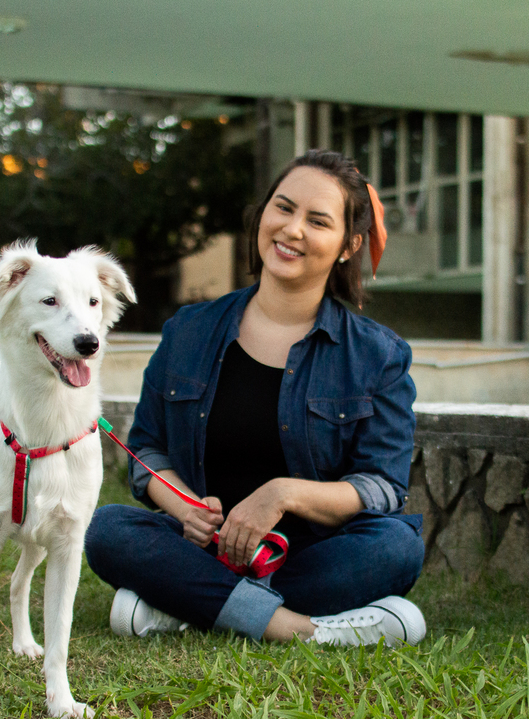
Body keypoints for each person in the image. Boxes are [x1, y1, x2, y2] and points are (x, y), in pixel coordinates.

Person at [84, 149, 425, 647]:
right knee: (108, 529)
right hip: (202, 547)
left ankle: (181, 607)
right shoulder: (188, 331)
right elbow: (147, 454)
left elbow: (380, 487)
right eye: (283, 208)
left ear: (348, 246)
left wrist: (283, 494)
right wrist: (184, 508)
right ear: (263, 214)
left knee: (396, 548)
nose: (292, 230)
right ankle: (298, 628)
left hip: (310, 553)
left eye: (317, 220)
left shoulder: (378, 355)